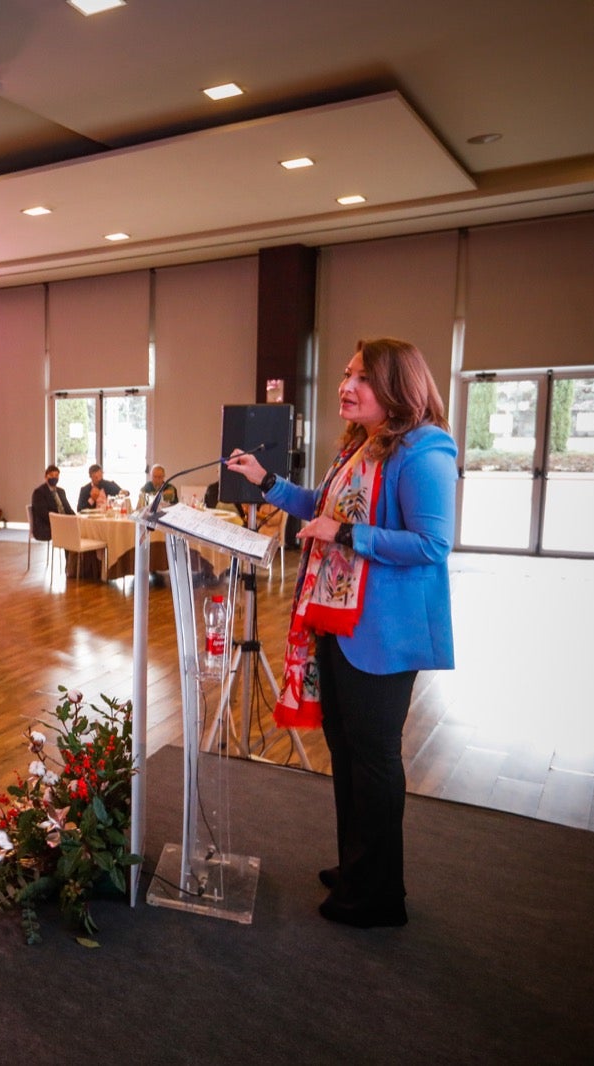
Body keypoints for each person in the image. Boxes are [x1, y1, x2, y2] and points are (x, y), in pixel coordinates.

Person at [226, 337, 456, 930]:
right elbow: (320, 506)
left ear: (398, 389)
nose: (345, 387)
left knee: (374, 758)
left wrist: (348, 535)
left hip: (383, 629)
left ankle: (379, 894)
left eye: (362, 379)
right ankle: (358, 864)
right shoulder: (359, 448)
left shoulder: (424, 449)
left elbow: (432, 545)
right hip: (336, 616)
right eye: (346, 374)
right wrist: (266, 480)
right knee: (347, 750)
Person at [28, 464, 72, 542]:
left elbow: (68, 509)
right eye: (51, 475)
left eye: (56, 475)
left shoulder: (61, 491)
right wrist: (60, 521)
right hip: (45, 527)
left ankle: (73, 553)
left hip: (63, 523)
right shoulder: (39, 492)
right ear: (46, 477)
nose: (54, 478)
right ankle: (71, 553)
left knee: (78, 530)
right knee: (70, 532)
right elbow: (43, 513)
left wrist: (76, 519)